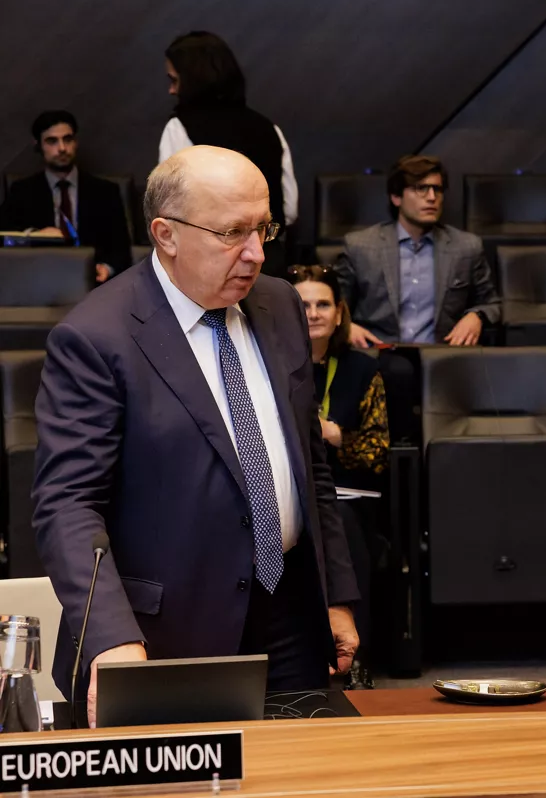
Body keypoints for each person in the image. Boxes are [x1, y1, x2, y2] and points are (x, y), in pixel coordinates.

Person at [32, 146, 359, 727]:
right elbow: (68, 505)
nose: (257, 253)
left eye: (263, 228)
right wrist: (108, 634)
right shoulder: (96, 337)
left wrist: (334, 593)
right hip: (161, 633)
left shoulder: (280, 303)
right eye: (233, 232)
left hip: (288, 616)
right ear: (166, 234)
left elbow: (309, 464)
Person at [289, 264, 389, 691]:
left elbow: (377, 453)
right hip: (290, 494)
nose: (313, 313)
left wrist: (334, 434)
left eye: (322, 304)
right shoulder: (271, 364)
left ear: (340, 312)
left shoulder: (362, 370)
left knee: (342, 526)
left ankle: (351, 658)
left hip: (351, 495)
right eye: (303, 304)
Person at [160, 31, 297, 273]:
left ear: (192, 81)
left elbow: (168, 209)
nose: (171, 90)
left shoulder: (179, 128)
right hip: (265, 263)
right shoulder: (270, 129)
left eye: (174, 80)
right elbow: (290, 210)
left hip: (209, 268)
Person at [334, 155, 500, 347]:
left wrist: (476, 316)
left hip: (441, 358)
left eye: (437, 189)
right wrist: (345, 326)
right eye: (421, 189)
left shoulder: (466, 247)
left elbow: (491, 304)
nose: (431, 198)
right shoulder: (360, 247)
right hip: (379, 356)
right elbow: (332, 306)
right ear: (396, 197)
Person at [0, 110, 132, 282]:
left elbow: (122, 247)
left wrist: (107, 268)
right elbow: (6, 238)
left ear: (75, 142)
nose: (62, 148)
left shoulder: (106, 191)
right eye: (52, 141)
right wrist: (36, 235)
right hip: (40, 279)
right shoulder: (22, 191)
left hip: (94, 281)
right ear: (38, 146)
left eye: (67, 139)